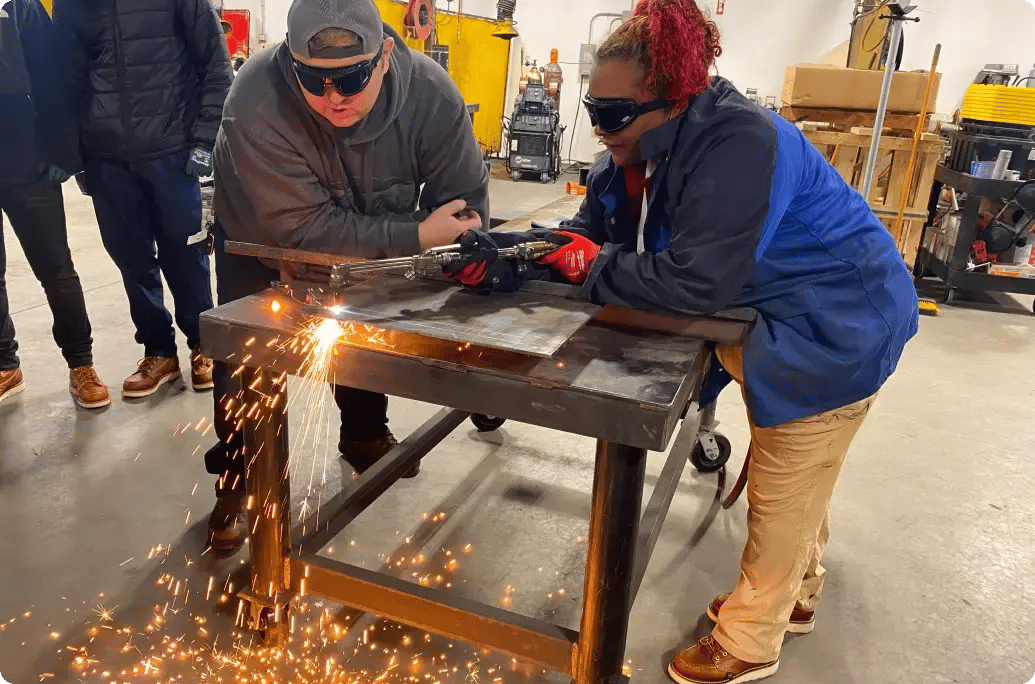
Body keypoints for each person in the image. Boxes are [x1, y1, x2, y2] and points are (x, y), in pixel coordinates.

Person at [452, 1, 919, 682]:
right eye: (593, 108)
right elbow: (588, 231)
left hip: (836, 320)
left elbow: (697, 281)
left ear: (675, 98)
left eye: (615, 114)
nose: (598, 127)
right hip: (769, 316)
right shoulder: (632, 151)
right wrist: (511, 253)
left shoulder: (739, 142)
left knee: (786, 482)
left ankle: (751, 637)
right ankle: (798, 591)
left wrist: (589, 265)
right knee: (805, 476)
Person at [205, 0, 488, 553]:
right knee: (244, 358)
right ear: (290, 60)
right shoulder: (256, 100)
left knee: (363, 327)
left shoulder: (431, 96)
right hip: (262, 241)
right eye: (315, 80)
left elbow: (465, 209)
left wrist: (456, 260)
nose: (333, 98)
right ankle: (238, 474)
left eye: (351, 78)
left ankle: (362, 431)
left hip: (366, 225)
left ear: (384, 55)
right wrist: (412, 236)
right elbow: (303, 230)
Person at [58, 0, 232, 398]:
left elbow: (216, 64)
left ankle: (203, 344)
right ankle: (159, 352)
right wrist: (76, 153)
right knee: (131, 258)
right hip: (106, 158)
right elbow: (65, 78)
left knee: (185, 254)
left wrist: (205, 139)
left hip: (171, 151)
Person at [0, 0, 109, 409]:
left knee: (56, 269)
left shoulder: (20, 6)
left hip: (25, 158)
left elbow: (53, 78)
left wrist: (60, 148)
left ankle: (81, 364)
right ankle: (5, 365)